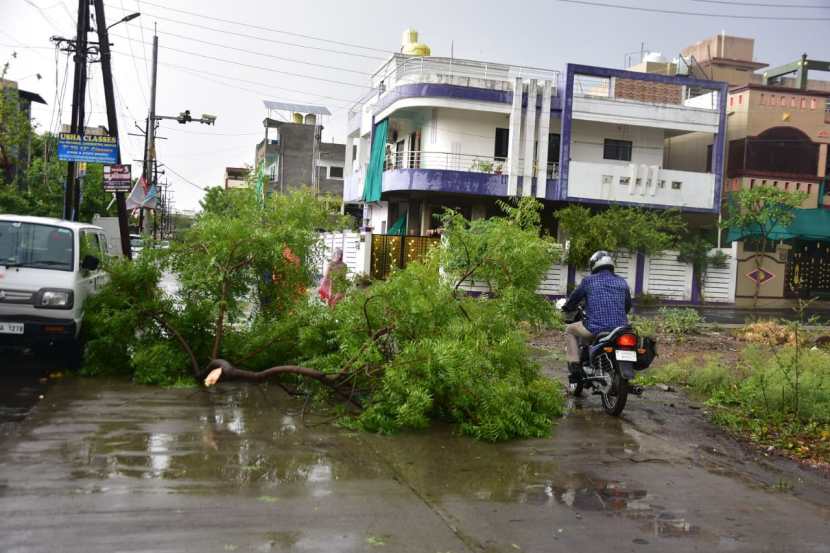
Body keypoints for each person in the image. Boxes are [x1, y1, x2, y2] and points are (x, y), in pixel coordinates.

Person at [561, 250, 632, 385]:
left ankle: (575, 367)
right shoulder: (622, 282)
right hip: (620, 330)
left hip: (595, 329)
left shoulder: (588, 281)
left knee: (570, 330)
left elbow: (574, 299)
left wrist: (566, 308)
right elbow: (627, 306)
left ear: (594, 265)